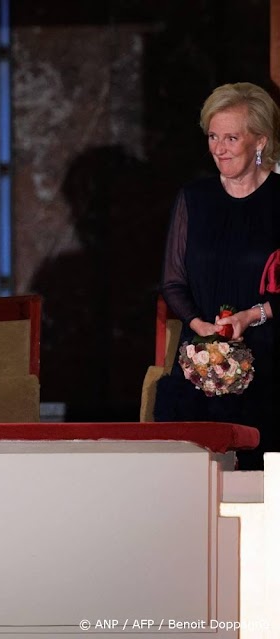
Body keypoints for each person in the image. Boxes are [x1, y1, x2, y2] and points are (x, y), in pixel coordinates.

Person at [154, 82, 279, 470]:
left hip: (271, 364)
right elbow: (173, 282)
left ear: (260, 141)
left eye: (231, 138)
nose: (219, 148)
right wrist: (199, 325)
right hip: (203, 366)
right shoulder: (194, 198)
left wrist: (252, 315)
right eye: (213, 136)